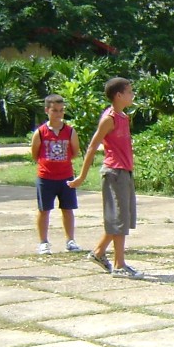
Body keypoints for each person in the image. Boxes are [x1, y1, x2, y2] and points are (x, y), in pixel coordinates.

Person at [70, 77, 141, 278]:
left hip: (124, 172)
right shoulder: (109, 118)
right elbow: (93, 146)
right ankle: (119, 265)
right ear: (118, 95)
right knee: (119, 220)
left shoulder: (123, 117)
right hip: (114, 173)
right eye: (129, 91)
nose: (132, 95)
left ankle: (99, 253)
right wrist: (82, 176)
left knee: (122, 219)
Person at [31, 94, 82, 255]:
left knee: (68, 209)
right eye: (54, 110)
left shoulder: (70, 131)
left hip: (66, 176)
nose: (58, 114)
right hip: (45, 177)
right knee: (44, 210)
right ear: (47, 110)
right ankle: (43, 242)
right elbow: (35, 153)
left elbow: (74, 152)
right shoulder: (40, 132)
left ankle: (70, 240)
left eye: (61, 110)